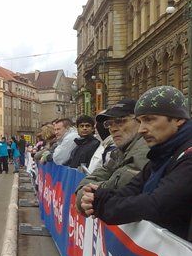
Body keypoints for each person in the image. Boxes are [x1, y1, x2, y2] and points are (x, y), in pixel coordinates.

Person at [80, 86, 192, 241]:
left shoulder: (187, 156)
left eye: (149, 119)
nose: (141, 129)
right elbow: (131, 189)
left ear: (178, 119)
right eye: (140, 121)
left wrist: (101, 204)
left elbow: (155, 205)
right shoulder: (162, 154)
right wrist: (97, 197)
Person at [75, 98, 149, 213]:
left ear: (140, 121)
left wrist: (89, 196)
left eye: (120, 121)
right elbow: (99, 174)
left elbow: (119, 185)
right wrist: (83, 195)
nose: (113, 129)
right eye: (109, 124)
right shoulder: (120, 151)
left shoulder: (144, 149)